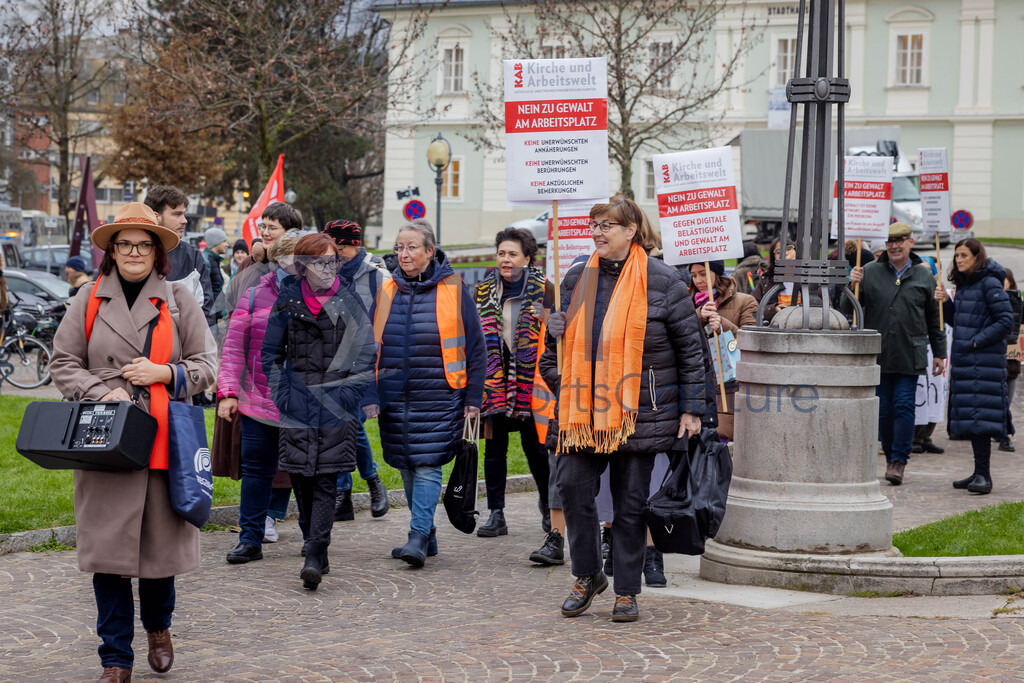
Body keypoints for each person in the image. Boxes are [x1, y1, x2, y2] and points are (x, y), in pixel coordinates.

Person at [49, 202, 217, 682]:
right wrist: (104, 391)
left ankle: (159, 629)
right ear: (112, 251)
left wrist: (163, 371)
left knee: (158, 556)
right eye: (125, 244)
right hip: (104, 436)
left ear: (157, 252)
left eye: (144, 244)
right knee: (109, 556)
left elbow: (208, 364)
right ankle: (114, 658)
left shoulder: (180, 298)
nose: (134, 252)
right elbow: (63, 362)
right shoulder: (88, 299)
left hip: (163, 442)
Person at [540, 194, 708, 623]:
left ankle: (627, 590)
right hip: (582, 415)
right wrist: (559, 349)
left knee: (630, 503)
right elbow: (550, 358)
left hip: (641, 412)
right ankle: (588, 575)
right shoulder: (575, 277)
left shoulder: (664, 280)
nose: (596, 232)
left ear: (630, 231)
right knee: (573, 489)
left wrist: (691, 410)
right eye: (593, 225)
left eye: (605, 226)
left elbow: (692, 351)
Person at [363, 219, 486, 567]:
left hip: (440, 394)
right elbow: (369, 347)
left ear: (430, 251)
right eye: (399, 247)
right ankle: (427, 534)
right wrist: (369, 393)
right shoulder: (387, 291)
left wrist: (473, 398)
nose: (403, 254)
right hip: (395, 396)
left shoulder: (454, 288)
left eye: (412, 247)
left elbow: (476, 347)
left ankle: (417, 535)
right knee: (405, 463)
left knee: (428, 464)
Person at [262, 233, 375, 589]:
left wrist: (348, 395)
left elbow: (365, 352)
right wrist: (283, 395)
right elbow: (270, 353)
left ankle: (315, 551)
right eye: (319, 262)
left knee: (326, 479)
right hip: (295, 404)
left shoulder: (348, 298)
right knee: (301, 478)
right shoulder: (288, 298)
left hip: (335, 406)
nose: (328, 268)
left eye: (332, 261)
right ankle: (316, 545)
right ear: (304, 266)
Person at [219, 231, 302, 564]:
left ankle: (313, 539)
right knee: (256, 470)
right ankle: (250, 539)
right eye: (300, 257)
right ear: (281, 259)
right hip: (257, 400)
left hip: (302, 403)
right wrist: (228, 392)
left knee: (305, 471)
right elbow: (234, 349)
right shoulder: (254, 296)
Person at [848, 222, 946, 486]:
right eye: (890, 241)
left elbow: (934, 320)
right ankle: (891, 454)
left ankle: (899, 461)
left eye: (900, 241)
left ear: (910, 243)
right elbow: (849, 308)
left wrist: (939, 352)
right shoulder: (869, 271)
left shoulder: (925, 276)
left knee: (904, 405)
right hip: (878, 353)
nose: (894, 246)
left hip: (909, 353)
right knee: (884, 411)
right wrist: (851, 284)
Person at [475, 227, 554, 538]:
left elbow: (554, 335)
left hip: (531, 384)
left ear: (527, 258)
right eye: (501, 253)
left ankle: (549, 509)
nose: (505, 259)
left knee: (537, 450)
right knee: (494, 450)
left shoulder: (544, 290)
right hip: (493, 384)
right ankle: (496, 513)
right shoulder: (483, 291)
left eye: (512, 254)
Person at [322, 218, 391, 520]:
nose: (332, 254)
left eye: (336, 248)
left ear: (352, 245)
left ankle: (370, 480)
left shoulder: (377, 277)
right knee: (340, 426)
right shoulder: (325, 273)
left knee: (351, 423)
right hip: (332, 364)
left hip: (365, 364)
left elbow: (387, 321)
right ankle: (346, 493)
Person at [935, 239, 1014, 494]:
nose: (958, 259)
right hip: (968, 360)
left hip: (983, 362)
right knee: (972, 418)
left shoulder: (989, 282)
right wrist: (944, 303)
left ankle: (984, 476)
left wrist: (976, 342)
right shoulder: (965, 285)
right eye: (956, 255)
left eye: (964, 255)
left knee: (981, 419)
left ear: (977, 256)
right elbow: (958, 320)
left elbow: (1005, 321)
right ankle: (978, 472)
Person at [688, 259, 757, 441]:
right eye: (694, 275)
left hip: (728, 388)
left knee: (722, 444)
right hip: (695, 386)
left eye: (703, 273)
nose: (698, 280)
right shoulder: (687, 304)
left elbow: (752, 343)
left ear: (717, 274)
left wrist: (722, 325)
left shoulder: (745, 301)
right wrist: (698, 316)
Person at [144, 186, 216, 328]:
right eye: (177, 214)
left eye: (184, 214)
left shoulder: (192, 257)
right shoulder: (134, 253)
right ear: (156, 216)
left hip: (182, 347)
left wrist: (199, 347)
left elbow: (205, 311)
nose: (184, 220)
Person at [225, 203, 302, 313]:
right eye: (263, 226)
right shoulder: (248, 262)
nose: (265, 233)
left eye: (272, 228)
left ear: (289, 232)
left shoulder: (299, 266)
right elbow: (231, 301)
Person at [999, 268, 1023, 452]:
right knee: (999, 400)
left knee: (1007, 399)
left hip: (1012, 361)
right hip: (996, 359)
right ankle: (1003, 434)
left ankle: (1003, 432)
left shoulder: (1018, 302)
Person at [751, 239, 796, 324]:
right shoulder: (766, 281)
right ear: (773, 257)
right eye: (779, 252)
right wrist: (773, 309)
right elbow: (753, 306)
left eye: (789, 248)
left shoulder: (810, 280)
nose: (785, 253)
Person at [202, 227, 228, 321]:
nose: (227, 244)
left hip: (213, 316)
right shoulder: (206, 261)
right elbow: (204, 292)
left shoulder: (213, 260)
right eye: (224, 241)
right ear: (216, 243)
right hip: (209, 317)